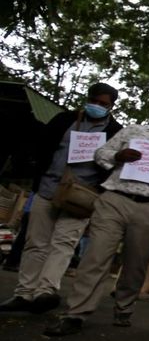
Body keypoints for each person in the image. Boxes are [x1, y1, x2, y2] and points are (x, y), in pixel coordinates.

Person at [43, 97, 149, 336]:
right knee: (95, 256)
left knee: (136, 264)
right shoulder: (134, 131)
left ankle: (124, 307)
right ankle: (76, 313)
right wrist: (118, 156)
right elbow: (102, 154)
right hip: (116, 200)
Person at [0, 83, 122, 313]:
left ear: (111, 106)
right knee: (35, 242)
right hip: (48, 188)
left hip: (82, 197)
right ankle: (24, 293)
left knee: (64, 244)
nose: (97, 106)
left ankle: (45, 292)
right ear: (88, 99)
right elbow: (41, 146)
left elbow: (115, 165)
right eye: (94, 101)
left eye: (104, 104)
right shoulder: (63, 120)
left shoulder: (115, 133)